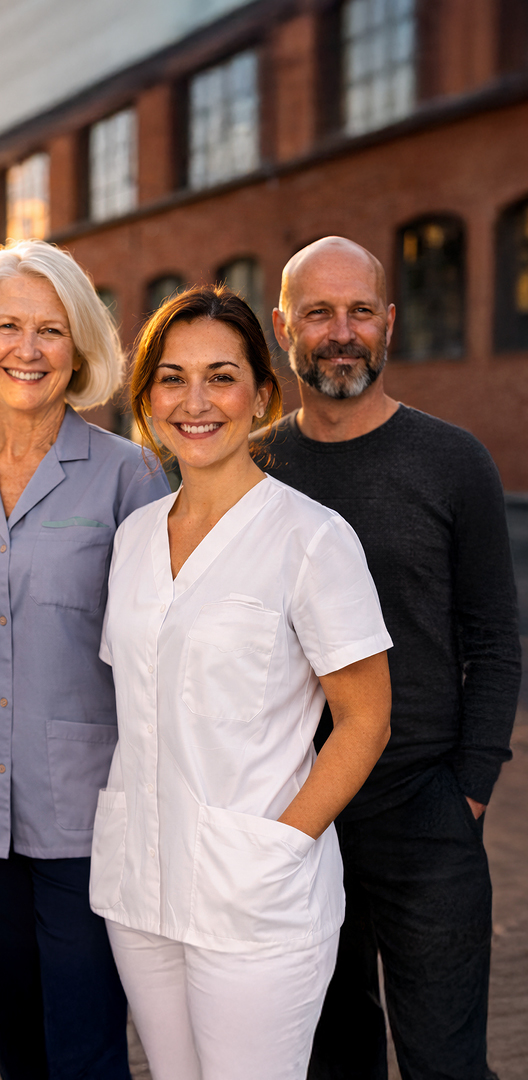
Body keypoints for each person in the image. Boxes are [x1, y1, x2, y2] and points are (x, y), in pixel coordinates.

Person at [92, 284, 393, 1080]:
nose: (196, 402)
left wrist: (280, 845)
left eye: (221, 377)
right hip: (143, 884)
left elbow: (366, 720)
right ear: (148, 397)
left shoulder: (312, 539)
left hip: (254, 894)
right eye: (172, 377)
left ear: (262, 394)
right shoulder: (132, 538)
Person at [262, 236, 521, 1080]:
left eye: (360, 311)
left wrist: (470, 791)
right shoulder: (255, 466)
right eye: (319, 312)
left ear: (389, 323)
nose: (342, 332)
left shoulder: (453, 462)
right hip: (302, 813)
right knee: (333, 1059)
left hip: (427, 810)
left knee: (447, 1064)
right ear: (283, 327)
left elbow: (494, 638)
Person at [0, 239, 170, 1079]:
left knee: (89, 1051)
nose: (28, 349)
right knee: (16, 1046)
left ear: (81, 346)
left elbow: (162, 647)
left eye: (51, 330)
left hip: (87, 821)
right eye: (9, 326)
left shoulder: (129, 476)